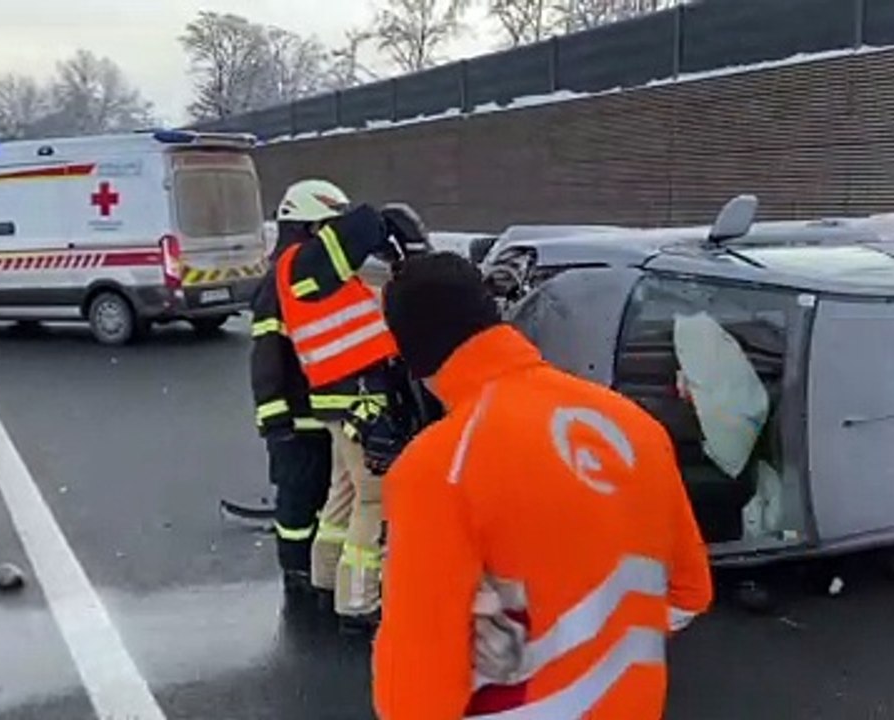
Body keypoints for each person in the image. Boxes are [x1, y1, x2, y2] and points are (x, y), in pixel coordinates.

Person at [373, 252, 714, 719]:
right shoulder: (634, 426)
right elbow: (690, 591)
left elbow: (415, 682)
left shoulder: (440, 468)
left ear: (412, 358)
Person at [268, 178, 431, 630]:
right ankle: (358, 604)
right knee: (374, 498)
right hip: (357, 395)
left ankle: (326, 579)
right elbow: (353, 234)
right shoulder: (302, 264)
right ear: (316, 223)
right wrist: (380, 219)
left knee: (345, 492)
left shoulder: (318, 274)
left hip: (342, 397)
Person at [249, 234, 331, 604]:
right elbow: (266, 359)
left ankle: (314, 568)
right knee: (297, 503)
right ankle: (296, 571)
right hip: (296, 421)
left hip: (321, 416)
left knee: (321, 497)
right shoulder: (278, 285)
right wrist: (275, 421)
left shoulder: (310, 277)